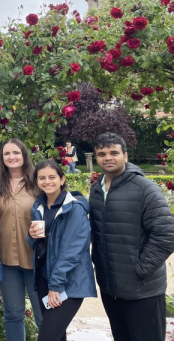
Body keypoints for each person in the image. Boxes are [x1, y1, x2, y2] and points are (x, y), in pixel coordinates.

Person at [89, 132, 174, 341]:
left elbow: (167, 233)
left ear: (125, 156)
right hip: (111, 288)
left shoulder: (144, 188)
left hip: (142, 291)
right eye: (101, 153)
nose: (107, 157)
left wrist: (141, 269)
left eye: (113, 152)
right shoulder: (96, 190)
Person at [27, 160, 96, 341]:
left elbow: (72, 251)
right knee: (58, 336)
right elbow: (36, 244)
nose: (47, 181)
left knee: (47, 337)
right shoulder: (38, 206)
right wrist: (31, 236)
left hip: (68, 283)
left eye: (52, 177)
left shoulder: (75, 209)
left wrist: (56, 285)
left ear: (62, 179)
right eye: (42, 178)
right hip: (44, 278)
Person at [0, 138, 42, 341]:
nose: (12, 157)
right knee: (13, 313)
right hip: (5, 258)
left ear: (24, 154)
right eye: (7, 153)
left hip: (35, 257)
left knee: (43, 314)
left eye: (16, 152)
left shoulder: (38, 179)